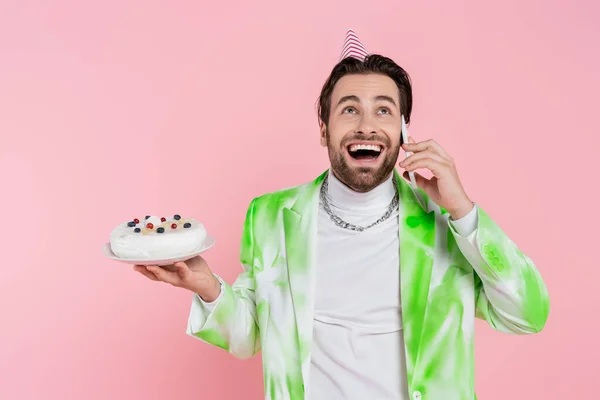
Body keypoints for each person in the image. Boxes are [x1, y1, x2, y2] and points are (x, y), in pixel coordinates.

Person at [134, 30, 550, 400]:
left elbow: (528, 315)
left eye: (383, 110)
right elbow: (249, 337)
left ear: (404, 131)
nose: (366, 126)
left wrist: (463, 210)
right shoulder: (271, 217)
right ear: (323, 129)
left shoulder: (445, 223)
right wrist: (207, 286)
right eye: (349, 109)